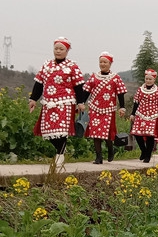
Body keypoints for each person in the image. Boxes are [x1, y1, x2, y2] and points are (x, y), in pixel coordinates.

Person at [28, 37, 86, 169]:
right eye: (56, 49)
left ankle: (60, 155)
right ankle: (61, 150)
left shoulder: (72, 66)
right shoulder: (47, 65)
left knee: (61, 130)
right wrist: (33, 99)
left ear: (67, 51)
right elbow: (39, 83)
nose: (58, 51)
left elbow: (78, 86)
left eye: (61, 49)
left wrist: (81, 102)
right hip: (48, 103)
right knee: (48, 131)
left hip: (65, 103)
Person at [83, 51, 127, 164]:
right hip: (94, 108)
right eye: (101, 62)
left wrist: (122, 107)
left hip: (108, 109)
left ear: (110, 64)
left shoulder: (115, 78)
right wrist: (82, 102)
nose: (102, 64)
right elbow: (86, 91)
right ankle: (99, 157)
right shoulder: (94, 77)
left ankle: (110, 149)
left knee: (106, 133)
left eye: (105, 62)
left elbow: (120, 93)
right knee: (95, 133)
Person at [130, 69, 158, 163]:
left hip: (153, 115)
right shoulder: (140, 89)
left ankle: (148, 155)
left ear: (154, 80)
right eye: (146, 79)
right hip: (140, 113)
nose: (148, 81)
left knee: (150, 135)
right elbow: (136, 102)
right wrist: (133, 114)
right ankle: (143, 150)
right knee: (137, 133)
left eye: (150, 79)